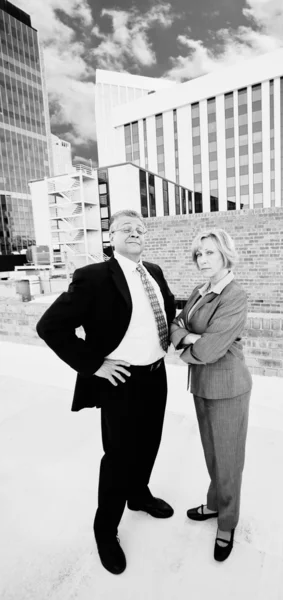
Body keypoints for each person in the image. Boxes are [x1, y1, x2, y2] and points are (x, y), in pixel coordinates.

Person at [36, 209, 176, 575]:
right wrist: (95, 364)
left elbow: (168, 307)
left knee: (149, 443)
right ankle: (105, 529)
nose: (135, 232)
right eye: (125, 228)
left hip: (156, 375)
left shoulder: (154, 272)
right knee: (117, 457)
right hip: (121, 381)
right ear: (111, 237)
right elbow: (50, 326)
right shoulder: (94, 277)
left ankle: (139, 495)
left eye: (140, 228)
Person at [170, 228, 252, 562]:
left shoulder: (234, 295)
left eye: (210, 253)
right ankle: (215, 503)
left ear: (225, 255)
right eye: (199, 254)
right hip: (202, 385)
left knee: (229, 458)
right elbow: (176, 323)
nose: (202, 259)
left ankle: (227, 522)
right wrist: (188, 336)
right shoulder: (198, 290)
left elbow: (211, 348)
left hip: (228, 387)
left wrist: (186, 343)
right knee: (212, 454)